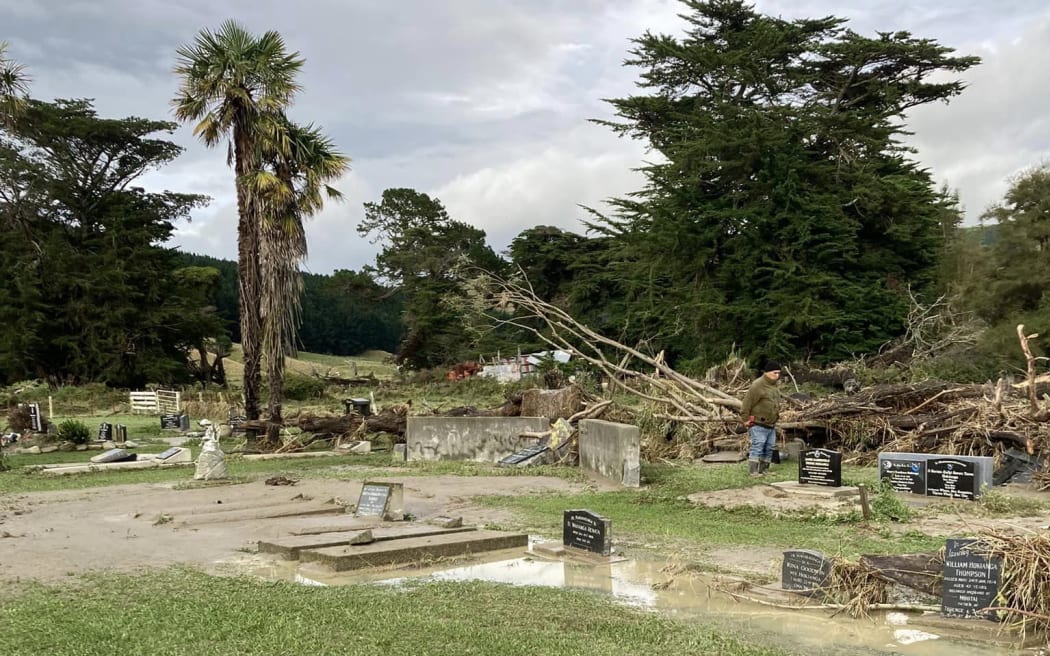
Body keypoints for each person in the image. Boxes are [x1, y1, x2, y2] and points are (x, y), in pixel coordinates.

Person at [740, 361, 781, 477]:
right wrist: (745, 419)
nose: (777, 375)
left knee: (769, 447)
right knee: (758, 446)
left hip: (771, 424)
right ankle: (753, 472)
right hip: (758, 423)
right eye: (775, 373)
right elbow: (746, 403)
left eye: (779, 373)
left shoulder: (774, 386)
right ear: (767, 373)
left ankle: (764, 470)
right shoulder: (757, 385)